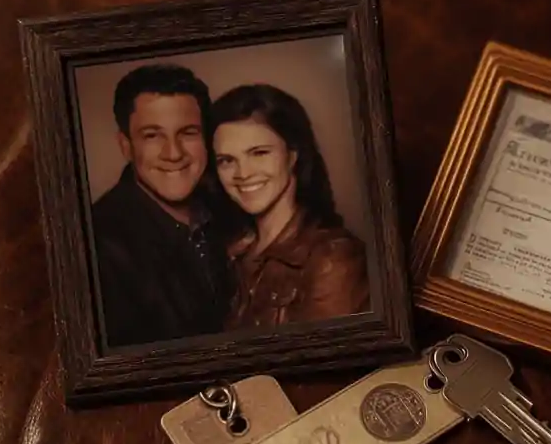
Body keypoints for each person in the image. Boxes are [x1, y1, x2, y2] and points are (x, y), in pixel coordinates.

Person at [90, 64, 232, 347]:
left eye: (188, 132)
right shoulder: (97, 246)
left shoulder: (229, 208)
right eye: (152, 135)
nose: (174, 153)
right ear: (126, 146)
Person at [210, 84, 370, 329]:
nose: (242, 173)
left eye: (259, 153)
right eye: (226, 160)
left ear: (293, 155)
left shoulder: (336, 259)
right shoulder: (230, 251)